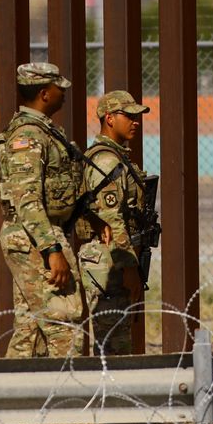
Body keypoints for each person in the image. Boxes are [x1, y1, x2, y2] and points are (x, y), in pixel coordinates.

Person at [0, 62, 85, 357]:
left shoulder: (44, 132)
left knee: (30, 331)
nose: (64, 93)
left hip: (35, 233)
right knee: (64, 324)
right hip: (35, 235)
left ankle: (13, 396)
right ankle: (70, 394)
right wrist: (51, 249)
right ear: (45, 93)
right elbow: (27, 199)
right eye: (59, 88)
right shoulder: (29, 136)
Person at [77, 90, 151, 356]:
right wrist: (129, 267)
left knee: (118, 341)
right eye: (129, 115)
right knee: (113, 346)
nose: (135, 121)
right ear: (109, 118)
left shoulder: (117, 157)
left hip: (114, 257)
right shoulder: (107, 160)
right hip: (109, 259)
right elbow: (111, 219)